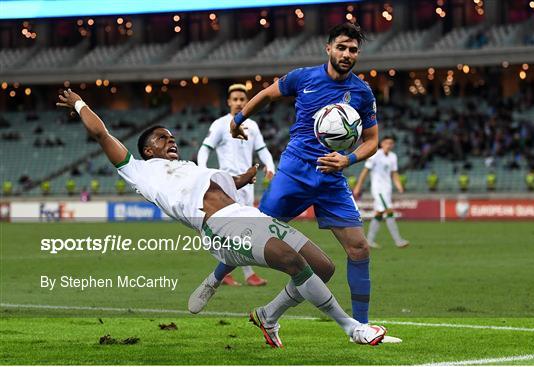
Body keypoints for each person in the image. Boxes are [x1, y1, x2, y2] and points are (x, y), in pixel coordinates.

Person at [56, 89, 388, 347]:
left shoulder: (191, 169)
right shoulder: (138, 171)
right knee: (291, 260)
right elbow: (102, 134)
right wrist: (80, 104)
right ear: (147, 150)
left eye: (172, 138)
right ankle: (351, 327)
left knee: (324, 268)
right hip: (219, 229)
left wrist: (244, 178)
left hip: (247, 214)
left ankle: (267, 316)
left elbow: (222, 186)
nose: (171, 141)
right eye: (162, 139)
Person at [193, 22, 401, 344]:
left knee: (359, 249)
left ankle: (360, 328)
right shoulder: (303, 77)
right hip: (295, 172)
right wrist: (237, 119)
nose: (347, 54)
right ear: (328, 48)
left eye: (353, 50)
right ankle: (214, 278)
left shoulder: (361, 92)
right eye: (342, 47)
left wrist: (349, 159)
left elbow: (371, 140)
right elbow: (265, 95)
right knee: (252, 236)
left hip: (332, 177)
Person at [198, 83, 275, 287]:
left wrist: (271, 166)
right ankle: (245, 274)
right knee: (237, 229)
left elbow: (263, 149)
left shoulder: (254, 126)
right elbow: (205, 149)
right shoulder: (220, 125)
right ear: (229, 102)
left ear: (247, 102)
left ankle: (229, 273)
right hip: (228, 184)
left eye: (243, 99)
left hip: (248, 184)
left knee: (240, 230)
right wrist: (202, 170)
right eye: (236, 99)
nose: (239, 103)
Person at [353, 136, 409, 249]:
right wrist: (358, 186)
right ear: (382, 143)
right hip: (378, 189)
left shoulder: (393, 157)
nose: (389, 145)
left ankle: (369, 240)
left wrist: (399, 186)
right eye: (387, 142)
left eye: (391, 143)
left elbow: (394, 173)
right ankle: (398, 241)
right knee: (389, 211)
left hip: (387, 189)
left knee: (379, 213)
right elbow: (365, 171)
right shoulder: (375, 155)